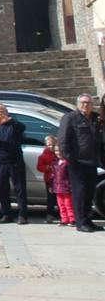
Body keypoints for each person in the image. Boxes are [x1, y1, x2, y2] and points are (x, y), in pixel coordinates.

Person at [57, 93, 103, 233]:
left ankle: (88, 220)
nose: (85, 105)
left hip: (92, 162)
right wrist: (69, 158)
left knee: (89, 193)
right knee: (80, 193)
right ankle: (80, 222)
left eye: (88, 103)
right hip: (77, 163)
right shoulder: (70, 118)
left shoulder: (96, 118)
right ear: (77, 104)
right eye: (83, 102)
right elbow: (63, 139)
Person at [0, 103, 28, 224]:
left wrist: (8, 119)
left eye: (2, 111)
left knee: (20, 189)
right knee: (2, 189)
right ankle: (6, 214)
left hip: (15, 161)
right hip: (0, 162)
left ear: (6, 112)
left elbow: (22, 128)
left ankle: (22, 214)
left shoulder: (14, 124)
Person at [52, 143, 77, 227]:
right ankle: (64, 219)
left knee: (68, 204)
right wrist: (51, 186)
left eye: (60, 151)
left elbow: (71, 176)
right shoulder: (55, 162)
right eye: (56, 150)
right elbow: (54, 176)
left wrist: (71, 186)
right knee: (61, 205)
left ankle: (72, 219)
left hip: (67, 188)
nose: (58, 152)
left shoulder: (67, 163)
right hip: (58, 188)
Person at [36, 136, 60, 223]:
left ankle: (62, 215)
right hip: (50, 180)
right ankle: (50, 215)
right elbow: (39, 167)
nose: (51, 147)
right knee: (50, 199)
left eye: (53, 145)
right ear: (46, 145)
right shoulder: (43, 156)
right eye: (49, 145)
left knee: (60, 198)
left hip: (59, 180)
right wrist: (47, 167)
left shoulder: (58, 154)